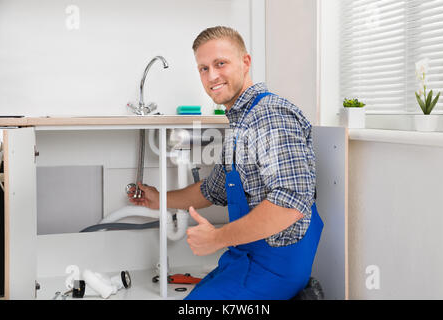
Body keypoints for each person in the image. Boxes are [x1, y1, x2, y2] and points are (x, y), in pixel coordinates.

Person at [128, 26, 323, 300]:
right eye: (203, 68)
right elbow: (212, 190)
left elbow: (290, 202)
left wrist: (217, 238)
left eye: (220, 63)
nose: (212, 76)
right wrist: (159, 199)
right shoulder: (240, 122)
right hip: (244, 258)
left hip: (275, 269)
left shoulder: (269, 115)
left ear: (245, 63)